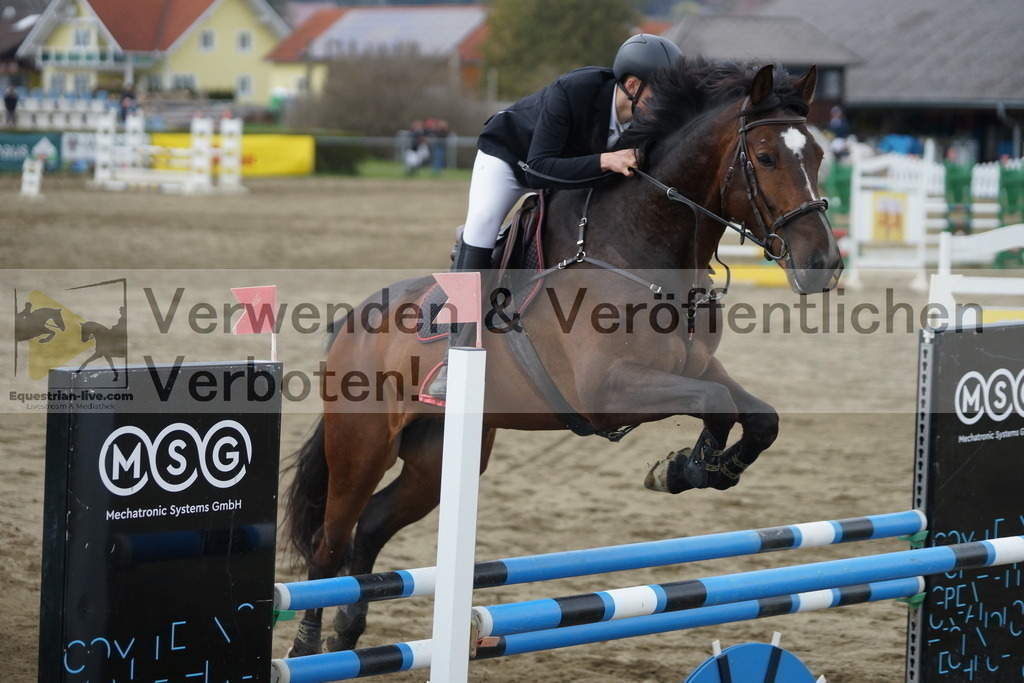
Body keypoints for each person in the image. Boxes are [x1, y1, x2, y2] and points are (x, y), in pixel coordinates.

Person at [428, 33, 683, 399]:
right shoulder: (575, 90)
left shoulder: (648, 120)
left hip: (569, 172)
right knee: (481, 229)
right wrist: (606, 160)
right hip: (511, 157)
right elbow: (537, 170)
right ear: (631, 85)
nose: (664, 110)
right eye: (658, 97)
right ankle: (454, 357)